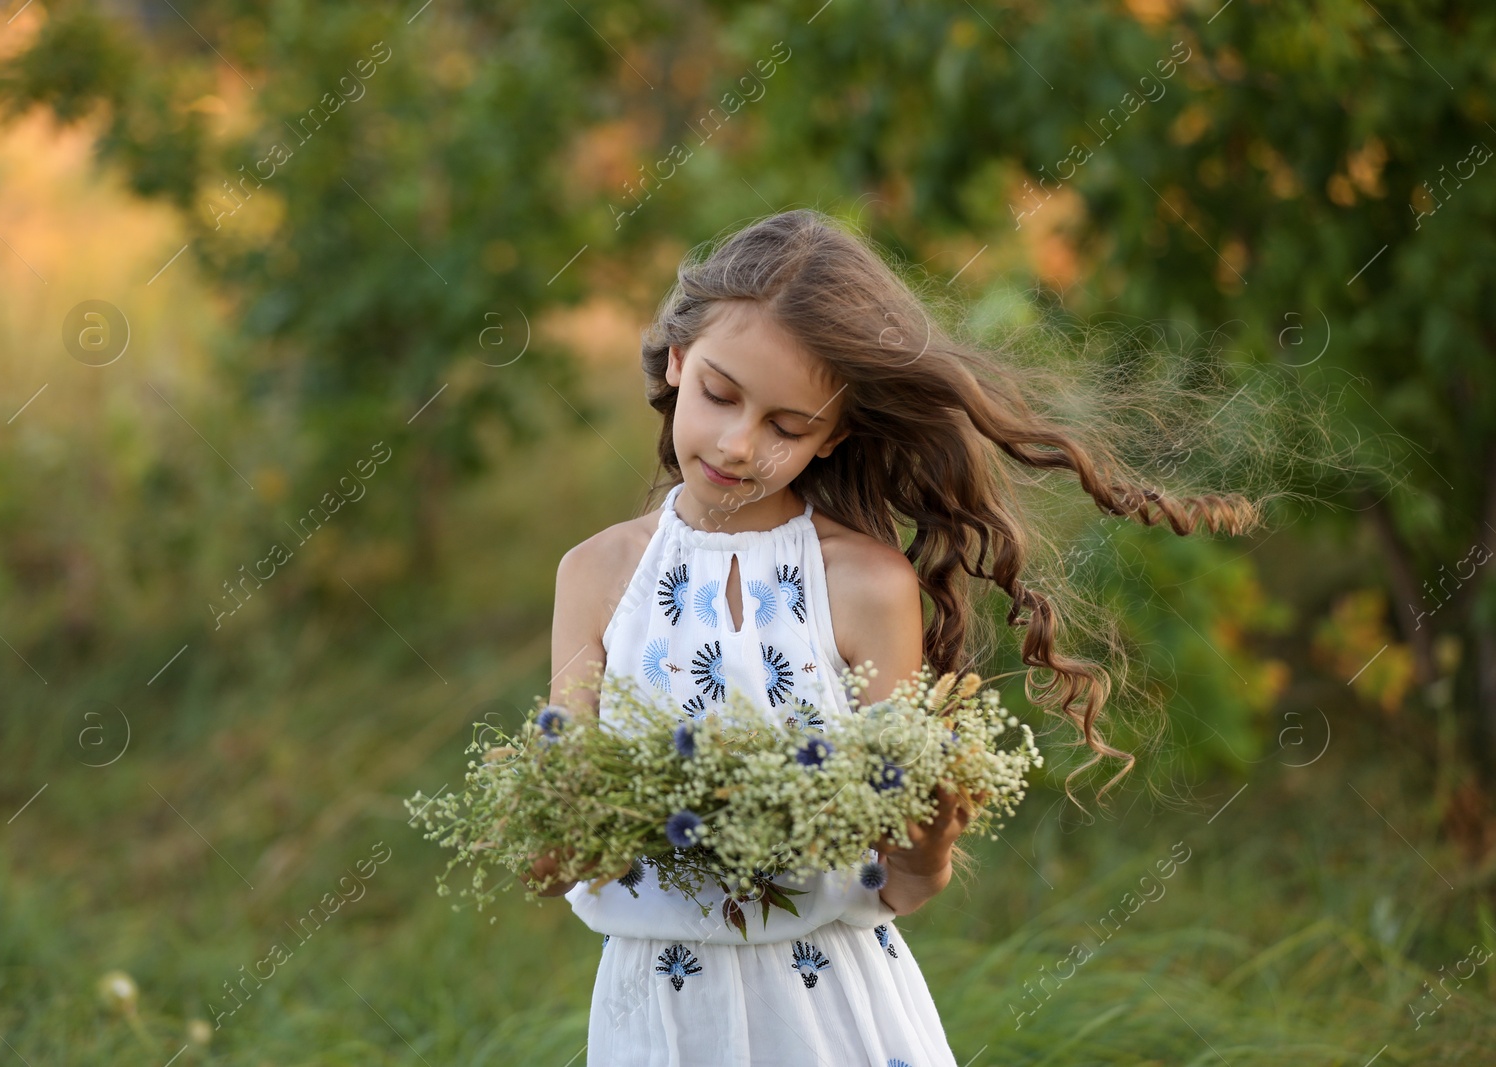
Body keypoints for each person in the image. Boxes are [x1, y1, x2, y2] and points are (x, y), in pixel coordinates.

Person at [524, 209, 1259, 1065]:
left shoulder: (866, 586)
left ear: (833, 434)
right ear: (677, 360)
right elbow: (560, 851)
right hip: (658, 1017)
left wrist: (933, 830)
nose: (738, 443)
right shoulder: (594, 575)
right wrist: (552, 830)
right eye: (721, 394)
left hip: (831, 1013)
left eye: (787, 426)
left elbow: (905, 880)